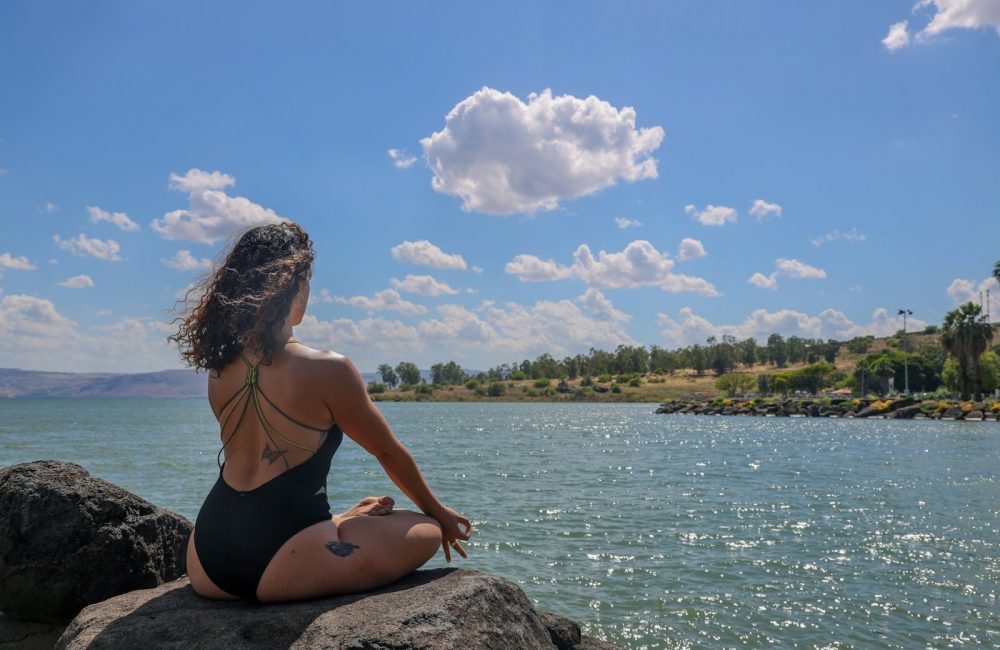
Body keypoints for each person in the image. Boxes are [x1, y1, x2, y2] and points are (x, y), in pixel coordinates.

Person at [170, 221, 471, 602]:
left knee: (340, 519)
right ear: (293, 289)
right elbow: (387, 452)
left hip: (206, 558)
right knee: (424, 529)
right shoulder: (328, 369)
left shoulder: (219, 370)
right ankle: (334, 525)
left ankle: (338, 521)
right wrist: (440, 513)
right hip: (279, 562)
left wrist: (339, 521)